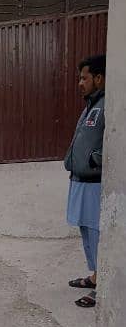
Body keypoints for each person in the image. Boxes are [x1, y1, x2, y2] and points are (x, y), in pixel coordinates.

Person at [64, 55, 106, 308]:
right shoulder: (91, 104)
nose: (80, 83)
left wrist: (93, 160)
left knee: (96, 233)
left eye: (84, 78)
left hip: (94, 182)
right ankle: (95, 276)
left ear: (99, 78)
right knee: (85, 231)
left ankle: (103, 286)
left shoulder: (107, 104)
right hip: (80, 179)